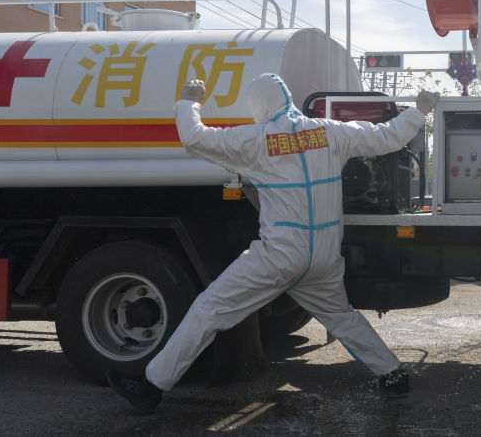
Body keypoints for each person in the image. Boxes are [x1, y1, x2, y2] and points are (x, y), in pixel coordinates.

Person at [107, 73, 439, 412]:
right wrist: (418, 111)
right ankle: (393, 374)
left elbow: (194, 140)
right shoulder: (329, 131)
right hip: (323, 255)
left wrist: (189, 101)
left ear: (259, 106)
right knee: (340, 316)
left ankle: (150, 387)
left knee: (209, 309)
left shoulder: (256, 140)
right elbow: (388, 137)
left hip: (279, 256)